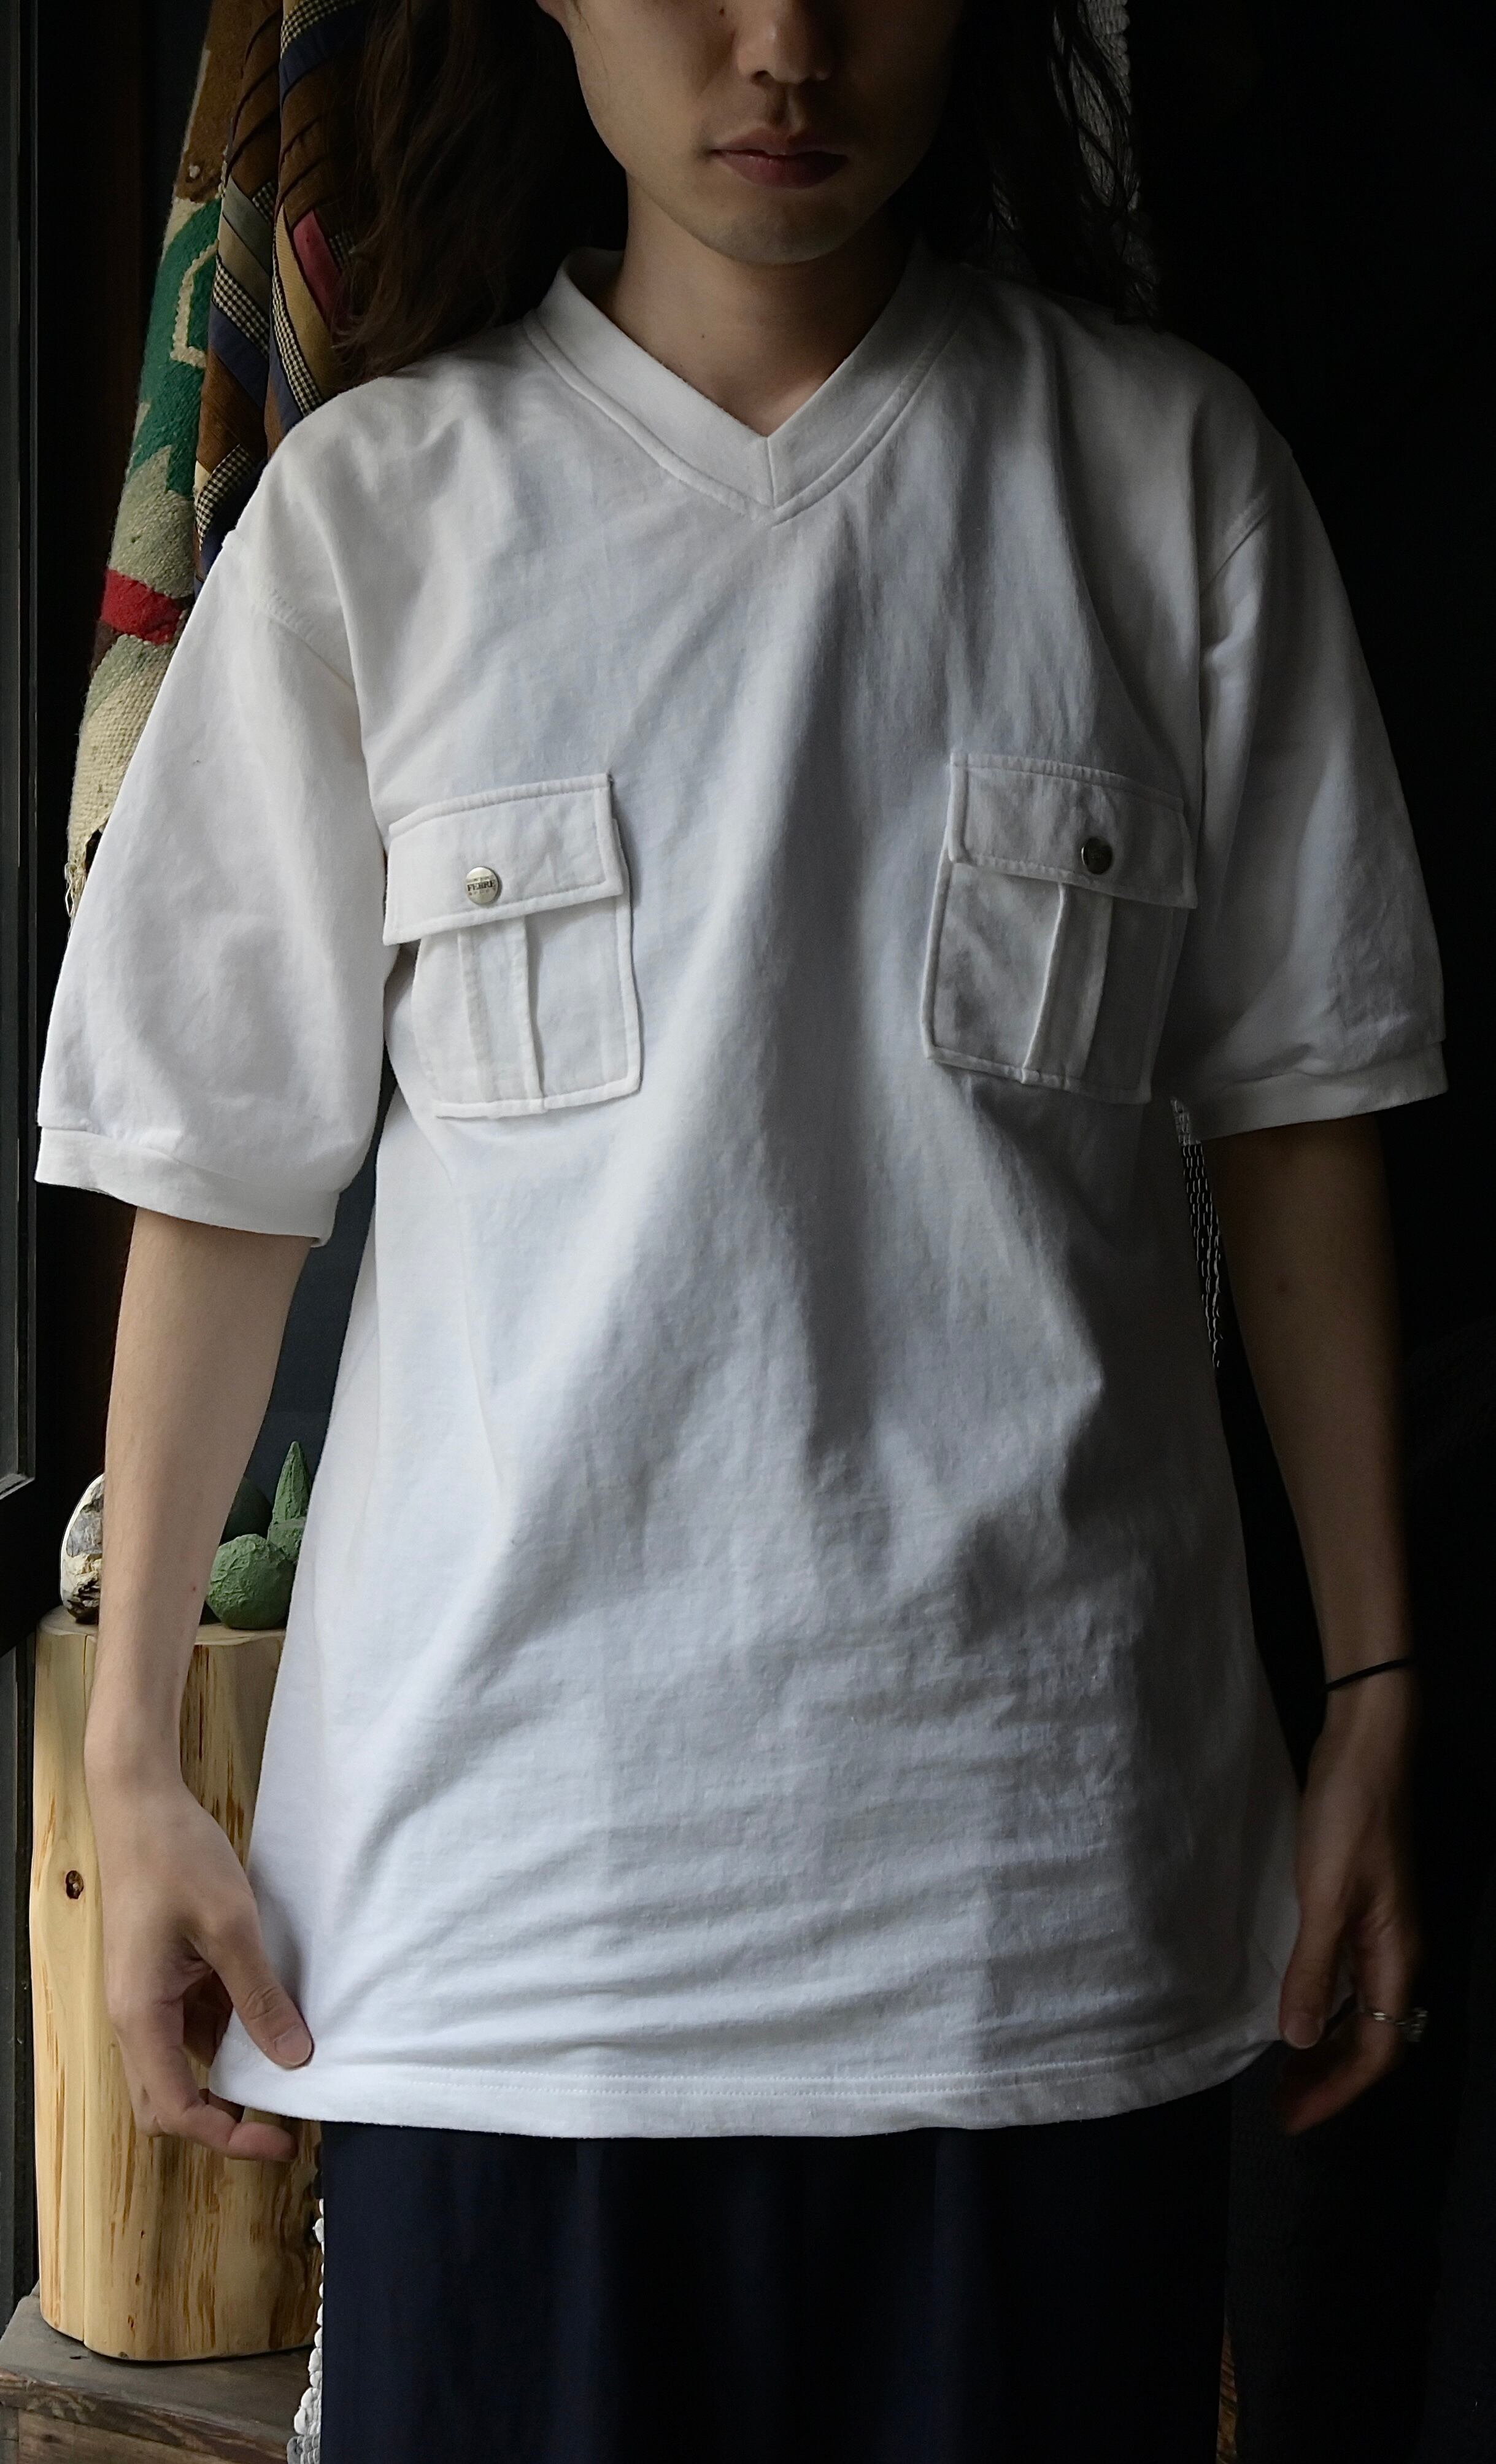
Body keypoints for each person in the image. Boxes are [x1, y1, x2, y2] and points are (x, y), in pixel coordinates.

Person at [36, 0, 1444, 2455]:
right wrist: (137, 1763)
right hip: (503, 1946)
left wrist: (1377, 1687)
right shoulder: (381, 511)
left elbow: (1303, 1112)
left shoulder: (1163, 478)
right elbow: (214, 1175)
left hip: (1045, 1926)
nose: (784, 45)